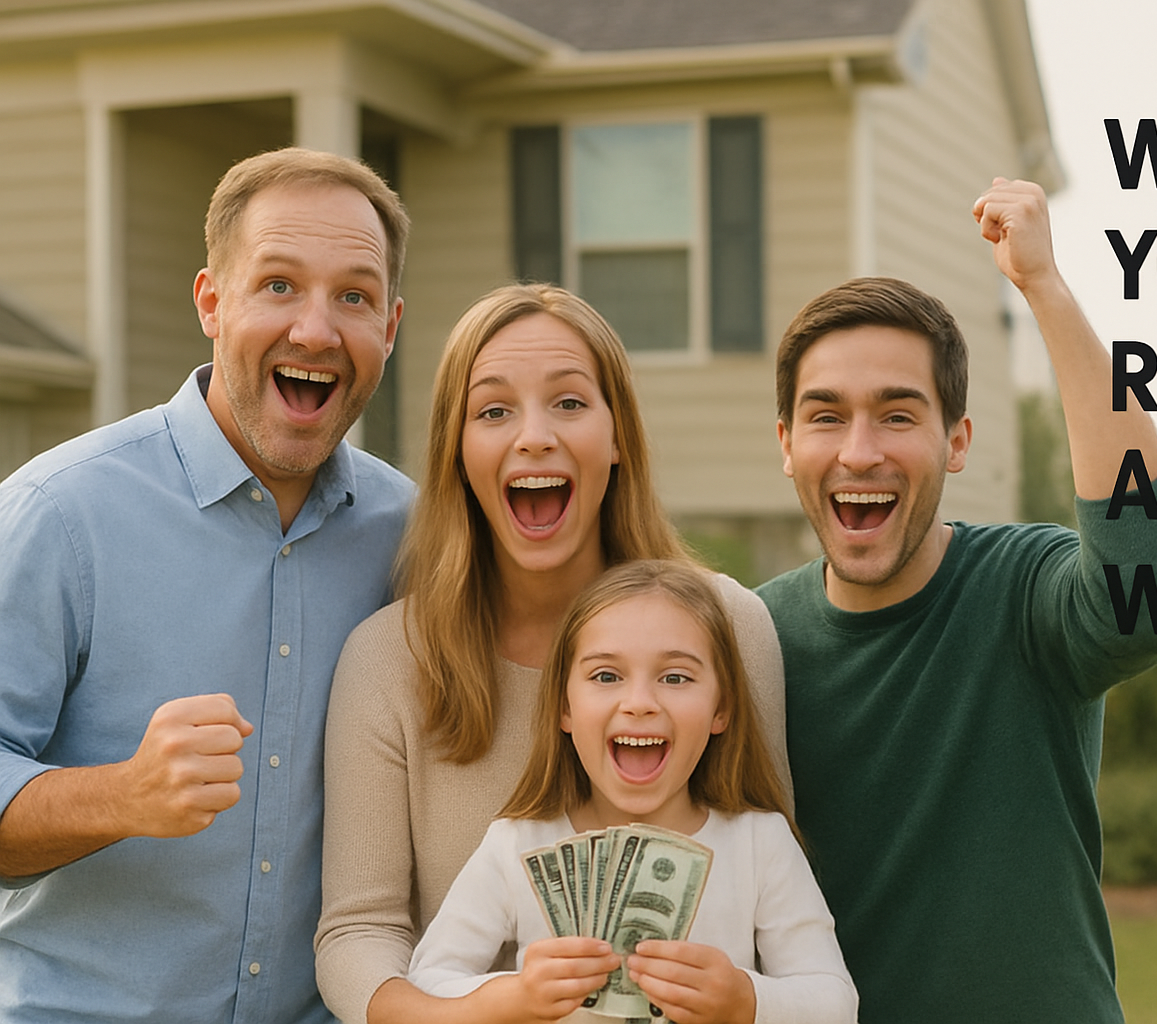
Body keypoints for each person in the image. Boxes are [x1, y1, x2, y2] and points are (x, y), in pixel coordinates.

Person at [755, 178, 1157, 1023]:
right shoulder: (752, 637)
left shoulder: (1025, 592)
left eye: (898, 415)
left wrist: (1046, 289)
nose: (859, 452)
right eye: (826, 417)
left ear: (955, 441)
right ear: (787, 444)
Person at [0, 147, 413, 1022]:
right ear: (211, 302)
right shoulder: (60, 515)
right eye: (278, 285)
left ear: (391, 326)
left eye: (354, 296)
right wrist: (123, 793)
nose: (315, 329)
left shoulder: (411, 537)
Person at [315, 284, 790, 1024]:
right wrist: (483, 1013)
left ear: (618, 435)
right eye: (494, 410)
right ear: (458, 450)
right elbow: (359, 932)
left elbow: (776, 911)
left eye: (569, 403)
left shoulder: (730, 627)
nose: (533, 436)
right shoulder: (387, 659)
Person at [406, 559, 856, 1024]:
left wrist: (746, 1000)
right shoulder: (516, 844)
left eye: (675, 677)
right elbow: (426, 983)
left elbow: (834, 1001)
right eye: (606, 676)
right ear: (564, 707)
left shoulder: (760, 843)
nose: (639, 703)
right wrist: (513, 996)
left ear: (720, 708)